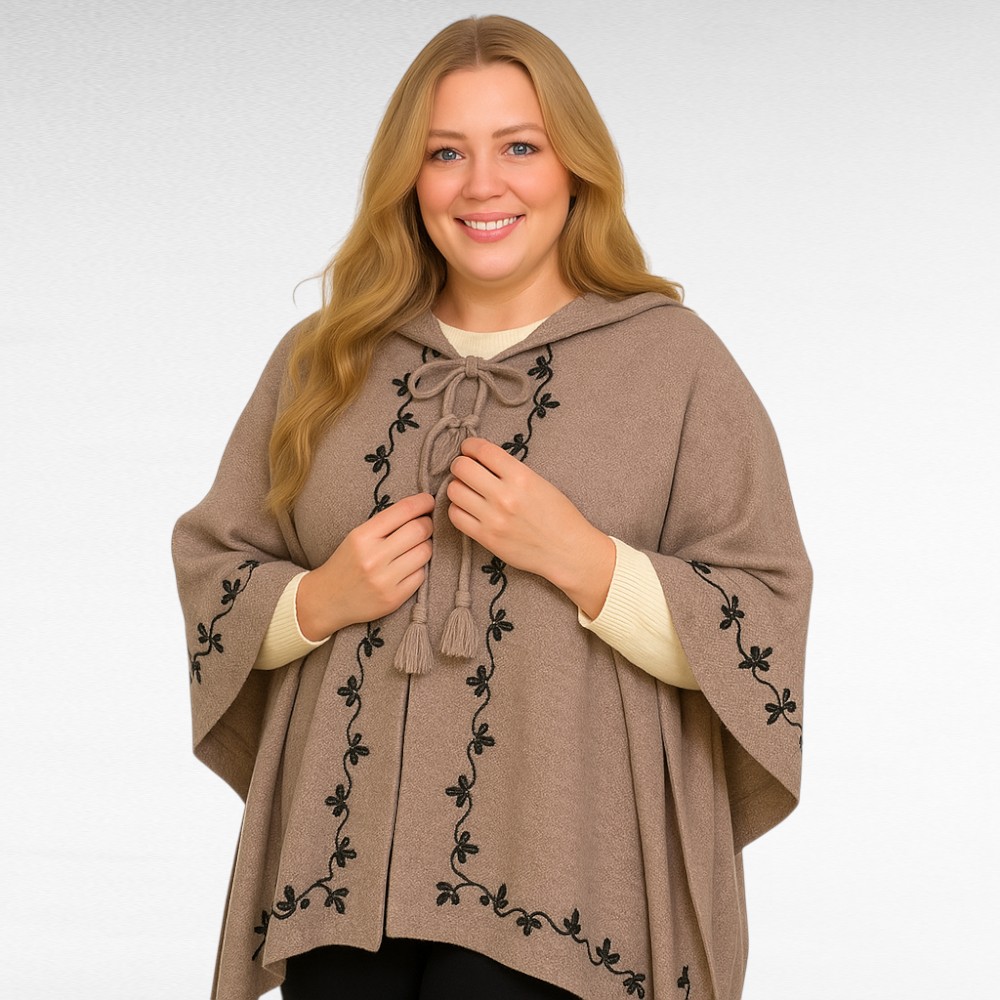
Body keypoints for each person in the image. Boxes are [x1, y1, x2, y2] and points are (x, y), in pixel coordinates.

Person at [172, 15, 812, 1000]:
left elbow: (763, 614)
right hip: (341, 872)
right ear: (408, 178)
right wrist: (317, 601)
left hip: (567, 878)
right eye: (445, 153)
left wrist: (586, 561)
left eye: (519, 146)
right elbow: (216, 564)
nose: (482, 185)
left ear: (575, 169)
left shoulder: (674, 363)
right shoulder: (323, 358)